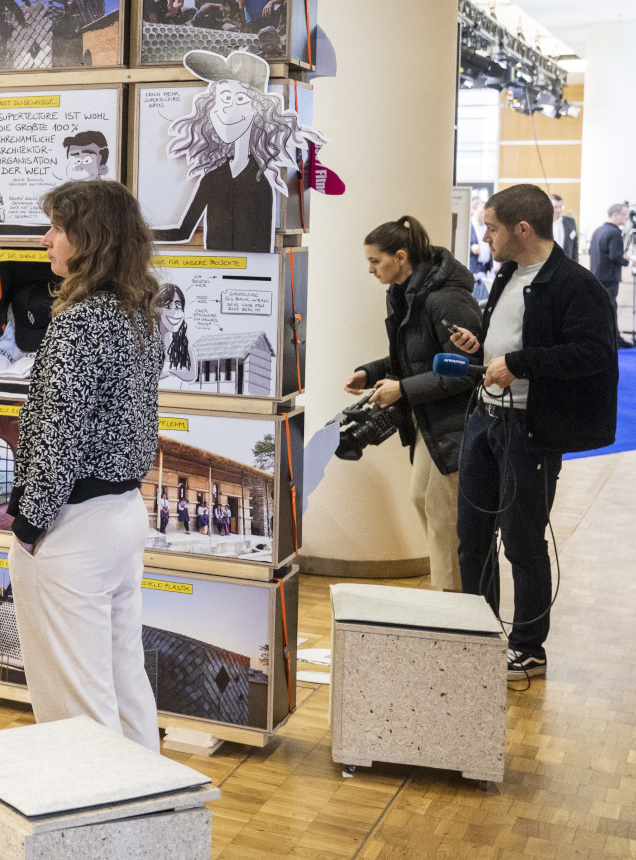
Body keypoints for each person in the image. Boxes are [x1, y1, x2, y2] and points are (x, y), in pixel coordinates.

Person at [5, 179, 164, 748]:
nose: (46, 239)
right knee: (123, 681)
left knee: (77, 701)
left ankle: (97, 827)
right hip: (121, 513)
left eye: (57, 228)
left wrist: (28, 524)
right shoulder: (139, 310)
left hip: (73, 527)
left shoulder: (79, 320)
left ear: (89, 238)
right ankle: (152, 816)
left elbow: (58, 431)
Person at [449, 183, 619, 678]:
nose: (487, 236)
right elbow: (512, 343)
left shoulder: (575, 284)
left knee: (522, 540)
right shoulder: (507, 274)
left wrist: (518, 364)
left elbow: (593, 354)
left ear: (522, 229)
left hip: (531, 430)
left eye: (492, 227)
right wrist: (479, 347)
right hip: (484, 418)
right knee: (471, 537)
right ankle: (478, 630)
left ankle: (528, 647)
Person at [344, 216, 482, 590]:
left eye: (375, 261)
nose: (370, 270)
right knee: (423, 500)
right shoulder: (404, 295)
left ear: (401, 257)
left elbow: (467, 370)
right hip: (429, 418)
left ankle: (452, 605)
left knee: (441, 513)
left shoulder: (446, 299)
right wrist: (369, 373)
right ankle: (449, 597)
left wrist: (402, 388)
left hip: (455, 421)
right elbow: (413, 359)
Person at [158, 49, 314, 254]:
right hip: (212, 276)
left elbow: (259, 252)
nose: (227, 108)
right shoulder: (212, 178)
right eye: (224, 97)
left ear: (257, 111)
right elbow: (183, 231)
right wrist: (136, 233)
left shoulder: (261, 185)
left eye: (240, 99)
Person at [589, 202, 629, 345]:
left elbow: (591, 252)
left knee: (600, 309)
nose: (627, 218)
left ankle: (604, 339)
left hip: (596, 275)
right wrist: (629, 262)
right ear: (615, 215)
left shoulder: (598, 230)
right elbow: (615, 256)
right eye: (625, 215)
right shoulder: (615, 233)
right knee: (610, 308)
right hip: (609, 277)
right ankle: (614, 340)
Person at [550, 193, 580, 262]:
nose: (559, 210)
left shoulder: (570, 222)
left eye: (560, 207)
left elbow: (575, 246)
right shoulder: (541, 224)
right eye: (555, 207)